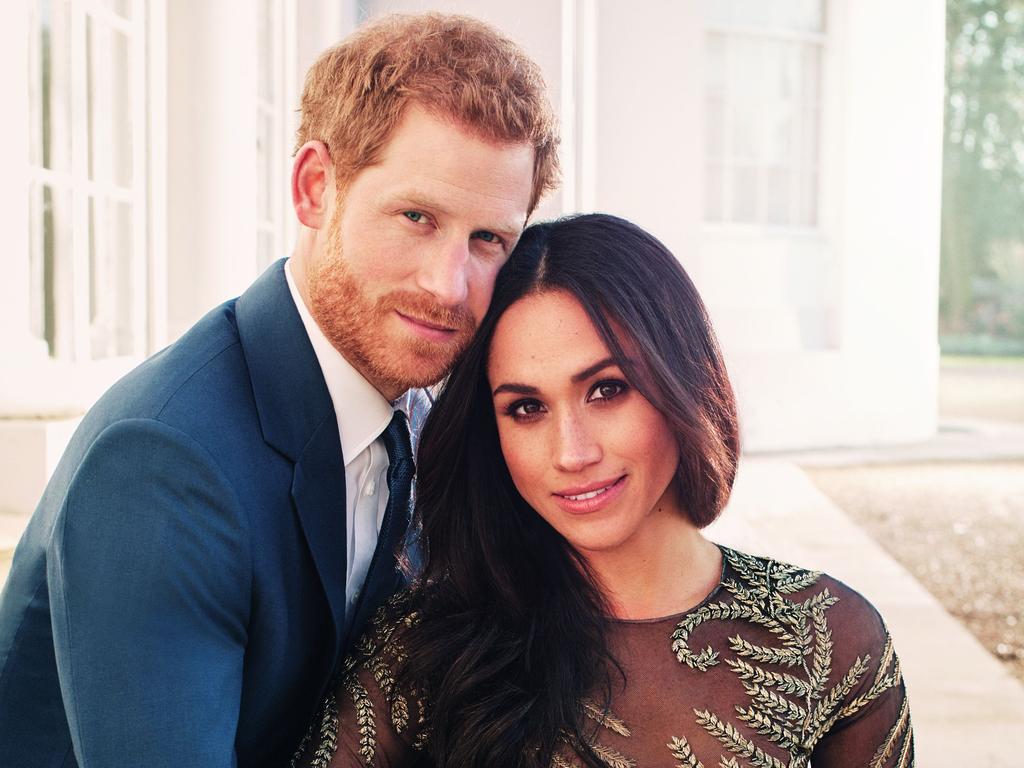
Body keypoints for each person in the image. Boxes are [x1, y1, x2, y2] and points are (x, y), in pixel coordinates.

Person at [0, 13, 557, 767]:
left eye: (488, 239)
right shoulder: (162, 464)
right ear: (315, 189)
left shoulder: (427, 411)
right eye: (416, 217)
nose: (448, 285)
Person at [293, 214, 915, 768]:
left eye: (607, 390)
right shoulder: (424, 650)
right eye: (526, 408)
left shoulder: (830, 641)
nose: (572, 453)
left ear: (683, 382)